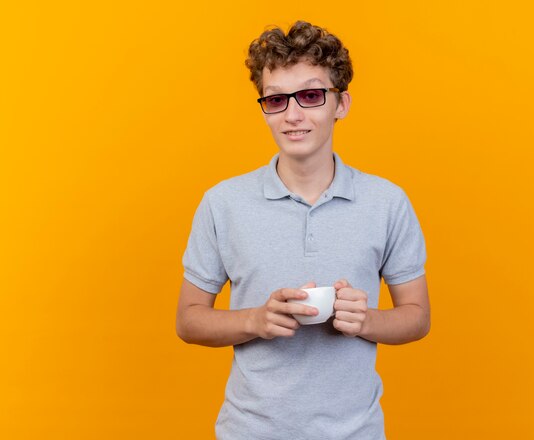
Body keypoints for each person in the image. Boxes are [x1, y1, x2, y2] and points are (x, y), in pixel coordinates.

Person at [177, 21, 430, 440]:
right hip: (248, 431)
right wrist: (256, 319)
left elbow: (417, 317)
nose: (292, 115)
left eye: (311, 96)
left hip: (356, 432)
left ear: (341, 104)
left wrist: (364, 320)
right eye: (276, 99)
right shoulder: (222, 203)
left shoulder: (387, 202)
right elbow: (188, 321)